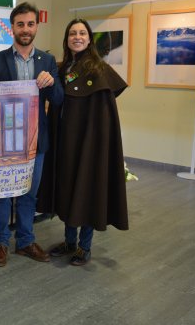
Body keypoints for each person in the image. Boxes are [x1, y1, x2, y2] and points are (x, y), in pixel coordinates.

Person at [41, 18, 128, 266]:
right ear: (67, 39)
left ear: (89, 39)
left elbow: (104, 114)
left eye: (82, 33)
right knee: (68, 189)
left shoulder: (99, 70)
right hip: (65, 142)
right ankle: (69, 242)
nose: (77, 37)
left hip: (89, 144)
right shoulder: (62, 68)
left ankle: (84, 247)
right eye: (72, 34)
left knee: (88, 190)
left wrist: (96, 144)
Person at [0, 2, 64, 267]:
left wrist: (52, 83)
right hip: (5, 140)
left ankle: (25, 241)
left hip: (35, 140)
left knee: (29, 194)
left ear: (36, 27)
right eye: (20, 24)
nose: (26, 29)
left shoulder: (48, 61)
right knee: (2, 193)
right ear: (12, 28)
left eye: (30, 24)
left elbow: (58, 99)